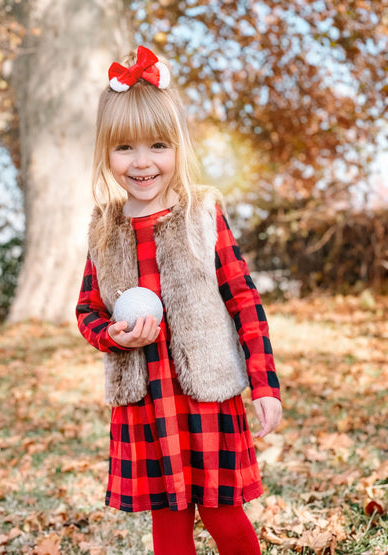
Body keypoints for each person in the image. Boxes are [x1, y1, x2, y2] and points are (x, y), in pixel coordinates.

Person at [76, 45, 282, 555]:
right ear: (106, 152)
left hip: (206, 395)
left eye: (158, 146)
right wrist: (111, 335)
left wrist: (265, 385)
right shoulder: (105, 228)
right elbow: (87, 311)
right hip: (145, 406)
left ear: (179, 147)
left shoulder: (201, 215)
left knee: (224, 516)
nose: (143, 162)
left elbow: (244, 301)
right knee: (168, 528)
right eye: (125, 149)